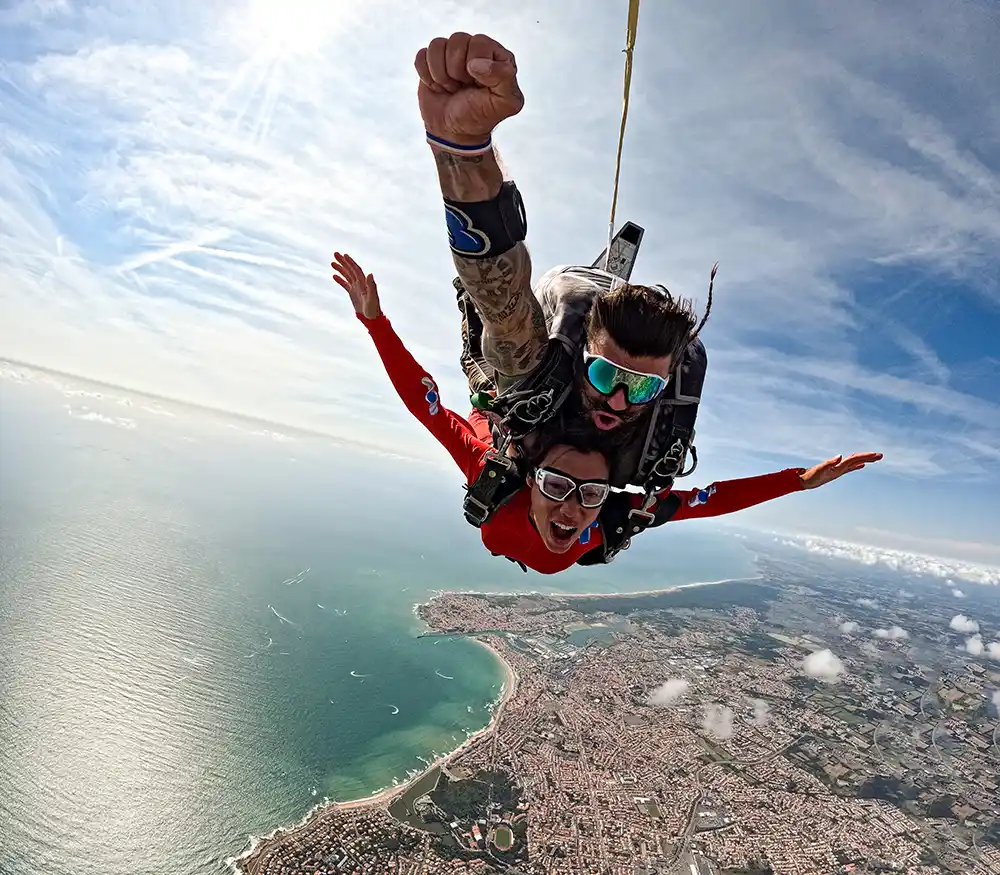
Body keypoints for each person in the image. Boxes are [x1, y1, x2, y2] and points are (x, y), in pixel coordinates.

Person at [331, 251, 883, 575]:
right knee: (497, 401)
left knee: (498, 401)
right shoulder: (593, 510)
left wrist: (377, 323)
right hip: (508, 431)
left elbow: (424, 406)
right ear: (533, 477)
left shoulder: (509, 488)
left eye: (587, 496)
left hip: (514, 451)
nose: (573, 512)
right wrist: (798, 481)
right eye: (575, 491)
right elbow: (705, 502)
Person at [414, 32, 718, 557]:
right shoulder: (548, 377)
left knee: (514, 349)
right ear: (583, 358)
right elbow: (499, 294)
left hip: (579, 305)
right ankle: (607, 285)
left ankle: (609, 282)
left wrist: (460, 149)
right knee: (512, 337)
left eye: (642, 388)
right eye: (604, 374)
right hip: (572, 298)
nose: (619, 401)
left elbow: (494, 292)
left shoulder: (538, 406)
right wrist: (462, 152)